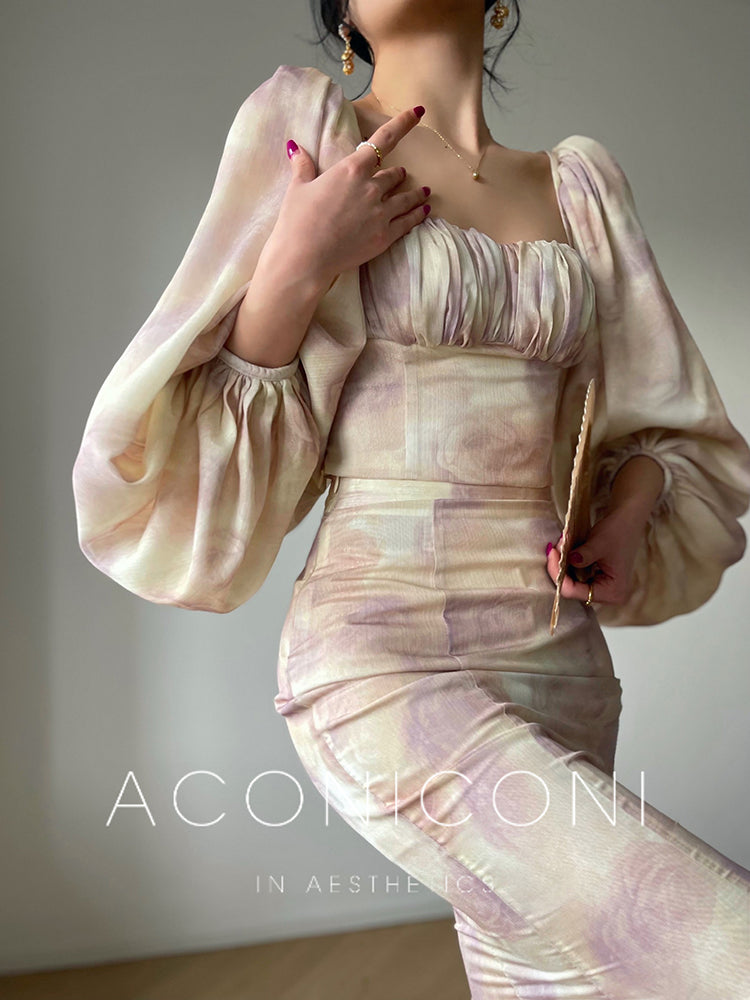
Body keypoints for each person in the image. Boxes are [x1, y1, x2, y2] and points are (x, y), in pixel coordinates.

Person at [72, 1, 750, 996]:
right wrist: (298, 261)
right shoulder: (311, 132)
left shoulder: (580, 186)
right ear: (344, 15)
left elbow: (669, 427)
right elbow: (202, 422)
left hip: (562, 664)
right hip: (380, 653)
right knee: (716, 940)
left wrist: (626, 509)